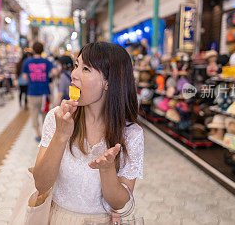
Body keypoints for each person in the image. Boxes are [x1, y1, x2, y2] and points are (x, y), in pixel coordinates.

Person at [32, 42, 144, 224]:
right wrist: (60, 135)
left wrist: (107, 170)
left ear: (109, 82)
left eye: (86, 69)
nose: (73, 74)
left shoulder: (131, 134)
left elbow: (119, 203)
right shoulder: (57, 117)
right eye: (76, 66)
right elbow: (41, 184)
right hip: (57, 218)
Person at [21, 42, 57, 142]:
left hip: (32, 92)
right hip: (45, 93)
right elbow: (54, 72)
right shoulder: (46, 61)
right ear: (42, 50)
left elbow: (24, 78)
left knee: (34, 113)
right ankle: (45, 134)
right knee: (45, 114)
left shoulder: (27, 62)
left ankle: (38, 134)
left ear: (33, 50)